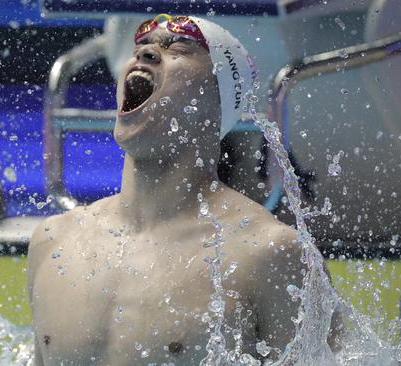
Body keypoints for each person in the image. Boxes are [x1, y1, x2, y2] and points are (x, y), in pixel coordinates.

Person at [28, 15, 339, 365]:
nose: (145, 53)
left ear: (219, 98)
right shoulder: (53, 241)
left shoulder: (269, 253)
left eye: (177, 48)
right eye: (141, 47)